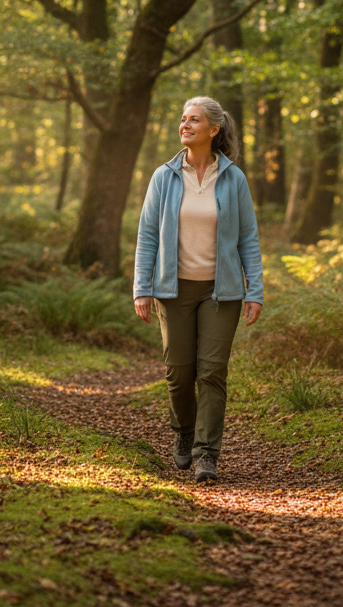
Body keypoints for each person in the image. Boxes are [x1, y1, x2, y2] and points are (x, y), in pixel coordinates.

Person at [133, 96, 263, 483]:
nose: (185, 125)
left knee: (211, 372)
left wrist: (254, 290)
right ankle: (184, 432)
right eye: (183, 119)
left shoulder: (234, 178)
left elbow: (248, 239)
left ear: (214, 129)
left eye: (194, 120)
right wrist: (142, 287)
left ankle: (207, 454)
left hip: (221, 292)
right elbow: (148, 236)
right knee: (178, 372)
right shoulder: (164, 177)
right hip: (172, 291)